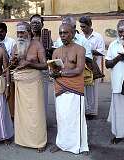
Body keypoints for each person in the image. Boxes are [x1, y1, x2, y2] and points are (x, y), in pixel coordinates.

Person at [49, 23, 89, 154]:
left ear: (72, 33)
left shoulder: (80, 49)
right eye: (60, 33)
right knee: (62, 118)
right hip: (60, 88)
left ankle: (81, 146)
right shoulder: (56, 51)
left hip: (75, 88)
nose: (62, 36)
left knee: (76, 118)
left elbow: (79, 70)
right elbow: (52, 70)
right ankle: (61, 144)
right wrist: (52, 73)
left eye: (65, 33)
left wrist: (61, 73)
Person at [11, 22, 47, 152]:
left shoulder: (37, 45)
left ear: (29, 32)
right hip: (20, 82)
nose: (20, 35)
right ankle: (22, 140)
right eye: (18, 33)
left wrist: (29, 64)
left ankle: (39, 142)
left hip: (33, 83)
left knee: (36, 113)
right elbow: (13, 65)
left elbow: (45, 65)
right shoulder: (16, 46)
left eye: (22, 32)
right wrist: (14, 62)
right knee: (21, 114)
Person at [79, 16, 105, 120]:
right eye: (81, 27)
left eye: (84, 26)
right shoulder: (80, 37)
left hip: (94, 67)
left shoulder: (98, 37)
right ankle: (85, 110)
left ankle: (92, 112)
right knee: (83, 89)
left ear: (90, 25)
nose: (82, 29)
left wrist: (89, 50)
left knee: (93, 89)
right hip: (82, 66)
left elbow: (102, 51)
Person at [30, 14, 52, 116]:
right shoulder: (27, 37)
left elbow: (50, 54)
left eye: (37, 23)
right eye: (33, 22)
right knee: (31, 99)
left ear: (42, 25)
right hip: (29, 71)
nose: (35, 25)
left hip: (42, 71)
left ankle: (43, 122)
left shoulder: (46, 38)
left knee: (42, 98)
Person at [0, 22, 16, 119]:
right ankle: (1, 117)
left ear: (6, 32)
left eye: (1, 32)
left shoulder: (12, 42)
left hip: (9, 73)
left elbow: (14, 59)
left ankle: (12, 116)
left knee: (10, 96)